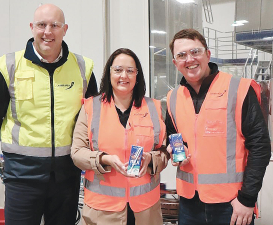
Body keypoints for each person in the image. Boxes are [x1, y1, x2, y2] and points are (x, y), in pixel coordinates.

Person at [0, 4, 98, 225]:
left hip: (67, 176)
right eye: (41, 25)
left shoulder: (83, 68)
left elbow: (93, 119)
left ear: (65, 29)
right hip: (22, 176)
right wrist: (20, 144)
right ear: (31, 27)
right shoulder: (10, 67)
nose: (48, 31)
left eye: (55, 25)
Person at [165, 29, 271, 225]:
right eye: (181, 55)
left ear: (208, 54)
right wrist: (174, 149)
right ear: (175, 63)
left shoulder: (239, 89)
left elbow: (260, 146)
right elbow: (174, 136)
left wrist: (247, 199)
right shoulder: (173, 98)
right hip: (189, 203)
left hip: (231, 204)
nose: (189, 59)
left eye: (195, 52)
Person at [71, 48, 168, 225]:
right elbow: (77, 153)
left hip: (145, 210)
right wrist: (104, 158)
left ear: (137, 75)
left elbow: (164, 151)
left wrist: (151, 159)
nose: (124, 75)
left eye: (130, 71)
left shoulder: (154, 108)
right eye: (118, 70)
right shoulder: (91, 107)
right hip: (102, 211)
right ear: (109, 73)